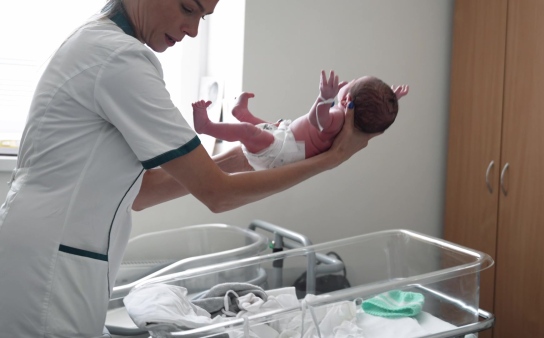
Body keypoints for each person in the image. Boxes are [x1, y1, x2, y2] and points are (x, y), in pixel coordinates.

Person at [0, 1, 379, 337]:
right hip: (50, 264)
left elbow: (143, 192)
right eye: (187, 8)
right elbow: (219, 195)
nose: (193, 30)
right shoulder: (119, 59)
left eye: (203, 16)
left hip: (53, 250)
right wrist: (332, 159)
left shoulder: (100, 45)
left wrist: (253, 155)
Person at [192, 70, 409, 170]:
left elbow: (317, 120)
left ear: (347, 99)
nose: (346, 81)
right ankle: (242, 115)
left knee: (250, 132)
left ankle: (207, 126)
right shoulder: (348, 123)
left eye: (350, 83)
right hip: (286, 140)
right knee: (267, 127)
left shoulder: (336, 117)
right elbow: (373, 110)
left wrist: (324, 98)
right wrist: (391, 99)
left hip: (280, 153)